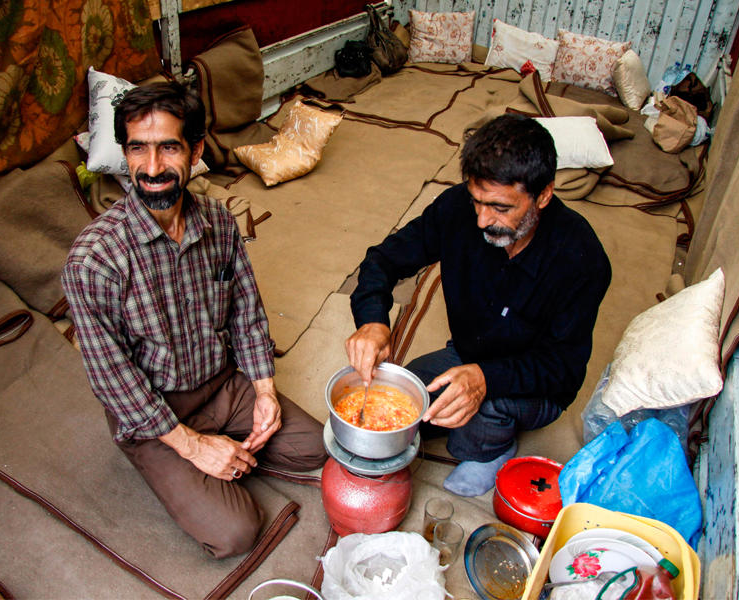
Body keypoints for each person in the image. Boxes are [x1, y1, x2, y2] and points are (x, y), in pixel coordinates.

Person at [62, 82, 326, 558]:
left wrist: (264, 390)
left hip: (224, 383)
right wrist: (193, 447)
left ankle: (229, 440)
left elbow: (246, 310)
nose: (153, 168)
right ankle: (178, 454)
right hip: (154, 411)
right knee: (236, 531)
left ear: (196, 150)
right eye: (138, 149)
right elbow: (113, 378)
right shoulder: (93, 260)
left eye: (169, 147)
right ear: (125, 153)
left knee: (318, 447)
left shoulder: (219, 222)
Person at [346, 113, 611, 497]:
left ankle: (492, 451)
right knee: (403, 396)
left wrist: (486, 379)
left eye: (502, 208)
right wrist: (372, 321)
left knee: (484, 413)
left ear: (543, 195)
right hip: (468, 352)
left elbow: (562, 370)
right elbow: (383, 260)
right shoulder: (457, 209)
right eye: (477, 201)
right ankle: (473, 404)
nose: (484, 219)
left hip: (533, 385)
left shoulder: (581, 258)